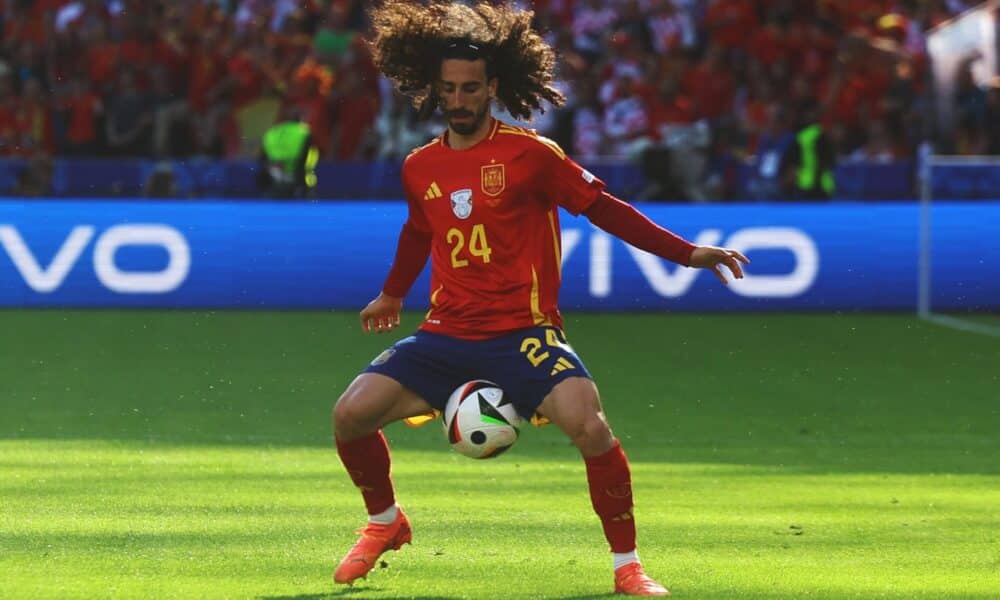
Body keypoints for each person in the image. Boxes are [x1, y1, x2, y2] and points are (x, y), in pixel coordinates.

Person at [331, 2, 750, 596]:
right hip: (445, 334)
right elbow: (419, 231)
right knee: (350, 415)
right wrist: (392, 293)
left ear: (492, 88)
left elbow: (605, 209)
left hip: (523, 333)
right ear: (435, 91)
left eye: (471, 88)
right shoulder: (420, 165)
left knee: (591, 427)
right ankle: (384, 523)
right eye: (449, 89)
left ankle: (627, 565)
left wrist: (687, 253)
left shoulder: (532, 155)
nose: (459, 99)